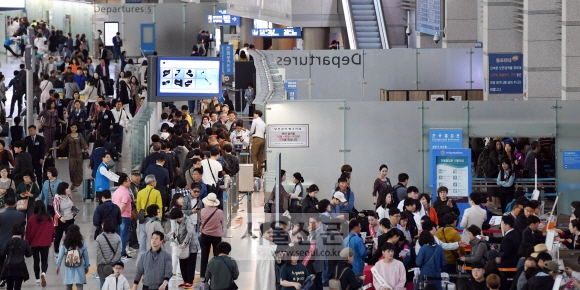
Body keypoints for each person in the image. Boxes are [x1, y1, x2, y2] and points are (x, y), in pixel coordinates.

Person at [49, 124, 88, 190]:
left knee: (78, 170)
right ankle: (73, 182)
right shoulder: (68, 136)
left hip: (79, 155)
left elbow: (84, 144)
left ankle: (76, 185)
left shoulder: (80, 136)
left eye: (75, 127)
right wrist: (54, 148)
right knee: (71, 169)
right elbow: (62, 145)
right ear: (70, 128)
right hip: (72, 155)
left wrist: (89, 152)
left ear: (77, 128)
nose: (73, 129)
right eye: (72, 127)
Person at [25, 200, 55, 287]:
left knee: (36, 261)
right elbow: (52, 231)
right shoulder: (49, 218)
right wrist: (50, 241)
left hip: (34, 243)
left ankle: (37, 279)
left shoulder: (31, 219)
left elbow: (28, 232)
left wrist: (28, 241)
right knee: (44, 260)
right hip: (45, 243)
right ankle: (44, 273)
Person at [0, 193, 26, 288]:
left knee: (1, 261)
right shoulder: (20, 215)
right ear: (15, 204)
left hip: (2, 242)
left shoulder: (1, 215)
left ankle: (2, 278)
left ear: (5, 205)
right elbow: (23, 228)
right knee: (16, 260)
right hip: (17, 243)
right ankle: (16, 279)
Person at [169, 208, 199, 288]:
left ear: (181, 216)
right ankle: (185, 280)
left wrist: (184, 243)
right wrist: (173, 233)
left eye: (178, 219)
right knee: (182, 263)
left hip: (191, 245)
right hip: (181, 246)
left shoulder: (188, 220)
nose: (177, 220)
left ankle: (190, 281)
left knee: (190, 264)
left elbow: (190, 233)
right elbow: (176, 230)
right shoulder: (176, 221)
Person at [55, 224, 90, 290]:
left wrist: (58, 265)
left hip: (68, 266)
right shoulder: (81, 243)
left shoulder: (65, 243)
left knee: (68, 285)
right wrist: (86, 266)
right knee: (79, 285)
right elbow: (86, 256)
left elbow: (60, 255)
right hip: (79, 266)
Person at [199, 193, 224, 284]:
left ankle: (203, 277)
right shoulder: (220, 212)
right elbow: (221, 222)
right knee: (217, 256)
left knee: (204, 256)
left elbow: (201, 221)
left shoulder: (202, 211)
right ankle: (216, 275)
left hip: (205, 235)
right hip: (216, 236)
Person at [0, 224, 32, 290]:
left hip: (9, 267)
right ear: (22, 232)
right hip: (20, 267)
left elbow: (2, 253)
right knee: (18, 287)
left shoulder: (8, 242)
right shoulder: (24, 243)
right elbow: (29, 254)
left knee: (9, 286)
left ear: (12, 232)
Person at [136, 175, 163, 252]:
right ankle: (152, 251)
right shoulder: (157, 192)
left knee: (143, 235)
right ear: (151, 183)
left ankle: (142, 252)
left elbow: (138, 205)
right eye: (155, 181)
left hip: (143, 217)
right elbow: (159, 206)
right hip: (154, 217)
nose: (156, 182)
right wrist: (159, 216)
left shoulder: (140, 192)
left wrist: (141, 213)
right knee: (154, 235)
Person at [95, 218, 122, 287]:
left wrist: (104, 261)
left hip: (102, 266)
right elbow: (119, 252)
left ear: (104, 226)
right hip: (115, 266)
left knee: (103, 284)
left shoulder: (99, 238)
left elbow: (98, 252)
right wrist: (113, 261)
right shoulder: (117, 237)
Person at [52, 182, 77, 257]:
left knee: (70, 236)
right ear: (63, 189)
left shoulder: (69, 196)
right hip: (61, 221)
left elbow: (72, 205)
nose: (69, 189)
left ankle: (69, 250)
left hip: (70, 219)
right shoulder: (57, 198)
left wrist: (74, 211)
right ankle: (56, 251)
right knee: (58, 236)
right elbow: (56, 209)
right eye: (67, 188)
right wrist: (60, 217)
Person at [112, 174, 133, 259]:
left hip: (117, 216)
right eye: (128, 180)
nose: (130, 182)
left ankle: (117, 252)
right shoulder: (125, 193)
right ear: (124, 182)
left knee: (118, 234)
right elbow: (123, 206)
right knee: (123, 235)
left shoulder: (116, 191)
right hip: (124, 216)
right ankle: (122, 252)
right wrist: (118, 215)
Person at [253, 223, 278, 290]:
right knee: (265, 285)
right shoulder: (262, 242)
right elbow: (272, 250)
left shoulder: (267, 241)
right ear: (263, 233)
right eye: (268, 232)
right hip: (264, 269)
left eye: (272, 232)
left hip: (268, 268)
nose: (271, 234)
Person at [250, 109, 266, 177]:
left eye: (254, 114)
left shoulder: (255, 120)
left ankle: (255, 172)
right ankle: (260, 172)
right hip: (262, 139)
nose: (253, 115)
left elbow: (251, 130)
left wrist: (249, 134)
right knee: (260, 157)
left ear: (257, 114)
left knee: (254, 155)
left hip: (256, 139)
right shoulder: (263, 122)